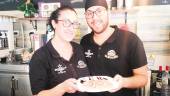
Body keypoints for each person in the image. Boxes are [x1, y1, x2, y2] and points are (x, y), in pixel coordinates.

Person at [80, 0, 148, 96]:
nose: (94, 17)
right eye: (89, 13)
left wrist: (123, 82)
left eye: (99, 11)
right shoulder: (84, 41)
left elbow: (143, 78)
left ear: (108, 13)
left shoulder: (131, 40)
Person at [29, 5, 89, 96]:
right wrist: (62, 88)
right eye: (66, 22)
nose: (71, 27)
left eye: (74, 23)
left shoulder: (79, 48)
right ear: (54, 23)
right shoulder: (40, 57)